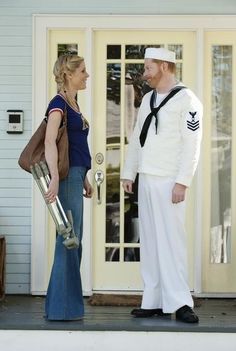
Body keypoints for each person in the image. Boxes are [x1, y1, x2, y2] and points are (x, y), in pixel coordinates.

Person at [121, 48, 202, 323]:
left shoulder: (188, 100)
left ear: (165, 66)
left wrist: (182, 182)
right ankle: (153, 299)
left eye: (148, 68)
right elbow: (137, 137)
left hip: (170, 182)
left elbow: (192, 145)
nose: (145, 74)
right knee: (151, 241)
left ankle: (180, 302)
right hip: (147, 178)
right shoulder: (148, 99)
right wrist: (128, 172)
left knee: (172, 241)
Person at [44, 53, 93, 320]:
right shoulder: (58, 103)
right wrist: (54, 177)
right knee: (69, 240)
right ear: (68, 74)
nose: (87, 75)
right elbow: (50, 142)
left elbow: (73, 146)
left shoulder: (73, 103)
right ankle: (64, 309)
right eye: (83, 71)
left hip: (75, 176)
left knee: (72, 240)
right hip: (64, 179)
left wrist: (84, 177)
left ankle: (58, 306)